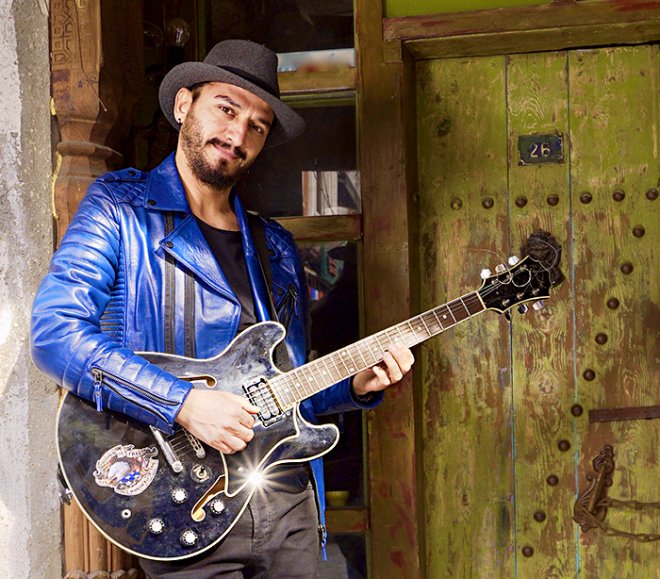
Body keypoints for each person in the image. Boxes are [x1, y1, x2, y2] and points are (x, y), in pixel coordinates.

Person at [31, 39, 414, 578]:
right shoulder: (119, 208)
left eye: (257, 126)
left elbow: (281, 389)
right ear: (184, 104)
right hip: (181, 501)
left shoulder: (275, 246)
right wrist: (182, 403)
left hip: (285, 499)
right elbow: (55, 333)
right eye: (227, 109)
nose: (238, 136)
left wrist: (353, 384)